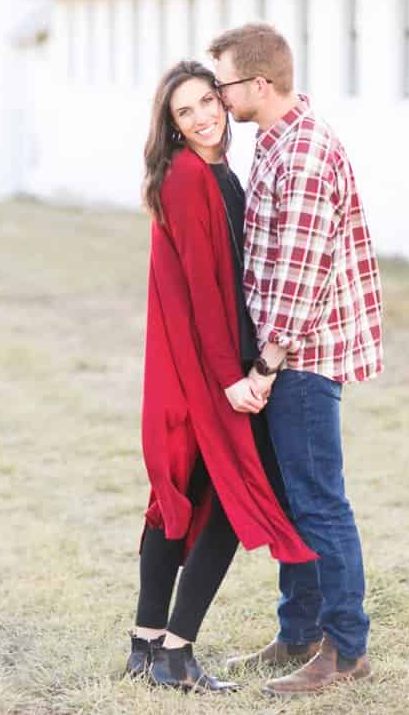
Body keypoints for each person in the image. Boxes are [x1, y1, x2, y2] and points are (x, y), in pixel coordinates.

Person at [129, 60, 317, 692]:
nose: (205, 116)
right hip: (211, 370)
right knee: (231, 504)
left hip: (203, 364)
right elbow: (208, 296)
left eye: (208, 101)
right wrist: (232, 379)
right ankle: (176, 653)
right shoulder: (187, 178)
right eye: (186, 111)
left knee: (181, 497)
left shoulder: (213, 171)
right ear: (172, 125)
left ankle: (146, 643)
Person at [208, 23, 384, 697]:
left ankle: (345, 650)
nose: (220, 98)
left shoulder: (303, 154)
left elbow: (300, 277)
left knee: (319, 505)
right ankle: (299, 633)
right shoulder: (277, 144)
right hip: (291, 357)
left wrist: (266, 365)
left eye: (223, 84)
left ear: (258, 83)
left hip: (302, 361)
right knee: (295, 500)